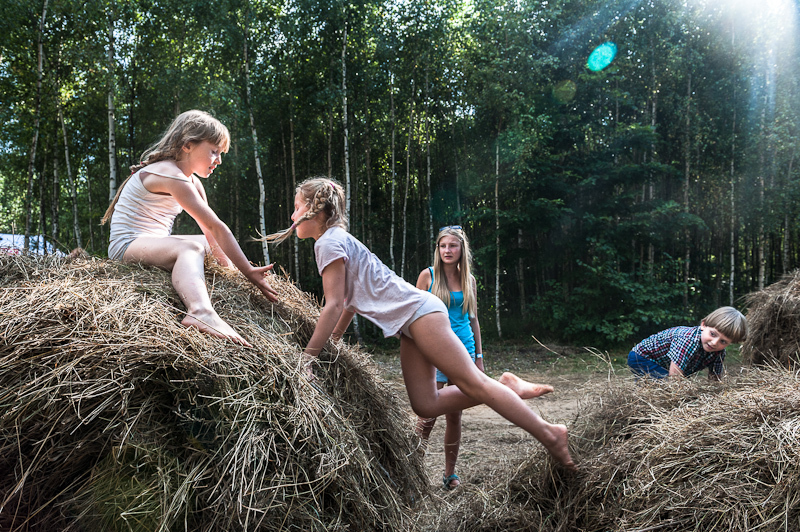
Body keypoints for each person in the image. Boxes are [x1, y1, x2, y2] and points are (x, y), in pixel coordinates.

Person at [267, 177, 576, 471]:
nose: (292, 215)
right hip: (409, 323)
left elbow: (333, 304)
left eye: (296, 207)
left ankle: (550, 434)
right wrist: (331, 344)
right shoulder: (335, 240)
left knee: (472, 383)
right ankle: (504, 386)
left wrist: (307, 358)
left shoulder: (328, 243)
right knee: (426, 405)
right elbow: (348, 302)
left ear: (314, 211)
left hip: (420, 313)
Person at [102, 110, 278, 346]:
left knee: (207, 246)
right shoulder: (170, 174)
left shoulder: (192, 181)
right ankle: (200, 312)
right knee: (191, 248)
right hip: (126, 246)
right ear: (187, 145)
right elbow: (217, 227)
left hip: (151, 244)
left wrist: (232, 275)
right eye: (214, 151)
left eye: (221, 153)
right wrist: (247, 270)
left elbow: (212, 236)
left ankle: (203, 303)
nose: (219, 160)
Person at [414, 226, 521, 490]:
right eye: (443, 246)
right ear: (437, 249)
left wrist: (479, 357)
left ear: (462, 250)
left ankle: (450, 474)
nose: (447, 251)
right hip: (434, 350)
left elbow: (473, 321)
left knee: (454, 415)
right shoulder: (427, 277)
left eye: (453, 246)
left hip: (464, 352)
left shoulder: (468, 280)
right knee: (427, 417)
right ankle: (412, 472)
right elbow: (413, 316)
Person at [627, 306, 747, 380]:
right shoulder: (688, 340)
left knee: (667, 385)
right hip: (642, 357)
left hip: (664, 365)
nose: (715, 342)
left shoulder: (719, 352)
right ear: (703, 325)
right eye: (713, 334)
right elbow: (675, 377)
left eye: (723, 341)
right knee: (664, 388)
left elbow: (715, 378)